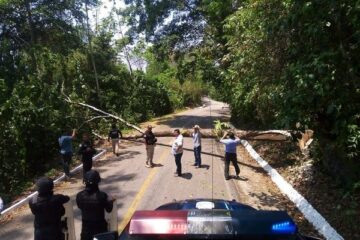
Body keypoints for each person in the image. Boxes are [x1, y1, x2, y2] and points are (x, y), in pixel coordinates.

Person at [76, 170, 114, 240]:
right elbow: (109, 209)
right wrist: (110, 201)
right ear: (98, 181)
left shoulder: (79, 196)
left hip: (86, 232)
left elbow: (79, 206)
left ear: (84, 181)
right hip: (100, 232)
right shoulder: (102, 196)